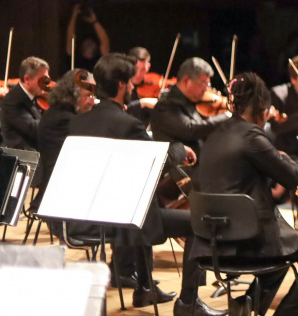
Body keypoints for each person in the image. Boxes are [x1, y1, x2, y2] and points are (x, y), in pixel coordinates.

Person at [69, 54, 222, 315]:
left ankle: (145, 287)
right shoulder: (128, 124)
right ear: (120, 85)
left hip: (85, 217)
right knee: (199, 223)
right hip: (123, 219)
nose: (132, 88)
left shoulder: (78, 121)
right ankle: (188, 303)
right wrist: (177, 149)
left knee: (142, 199)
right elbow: (154, 163)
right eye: (129, 83)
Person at [193, 72, 298, 316]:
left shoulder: (215, 134)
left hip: (212, 242)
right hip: (248, 242)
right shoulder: (252, 136)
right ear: (263, 110)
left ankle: (248, 307)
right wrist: (281, 156)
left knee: (281, 256)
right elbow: (293, 176)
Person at [150, 57, 230, 170]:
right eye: (203, 83)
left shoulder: (192, 101)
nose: (205, 89)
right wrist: (226, 116)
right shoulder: (166, 105)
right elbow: (190, 129)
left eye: (207, 84)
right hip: (180, 175)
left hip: (201, 169)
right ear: (186, 80)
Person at [34, 68, 96, 210]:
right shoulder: (64, 119)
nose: (91, 102)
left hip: (62, 192)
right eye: (88, 95)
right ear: (73, 94)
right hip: (60, 200)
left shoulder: (60, 113)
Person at [0, 56, 50, 150]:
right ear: (27, 79)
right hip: (24, 159)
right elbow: (36, 130)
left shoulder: (31, 97)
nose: (46, 84)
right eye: (43, 80)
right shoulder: (12, 101)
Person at [65, 3, 110, 70]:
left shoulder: (100, 60)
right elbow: (70, 38)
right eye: (87, 42)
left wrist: (94, 21)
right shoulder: (74, 58)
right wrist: (74, 15)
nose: (89, 43)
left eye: (91, 42)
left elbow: (105, 41)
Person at [126, 46, 156, 125]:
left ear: (148, 67)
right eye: (135, 69)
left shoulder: (152, 85)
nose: (138, 74)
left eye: (143, 69)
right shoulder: (121, 86)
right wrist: (142, 103)